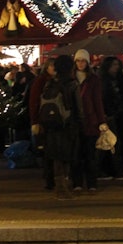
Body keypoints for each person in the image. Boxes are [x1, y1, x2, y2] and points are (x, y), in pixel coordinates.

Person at [32, 55, 82, 200]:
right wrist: (81, 123)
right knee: (68, 156)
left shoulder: (50, 83)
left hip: (51, 124)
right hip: (68, 124)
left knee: (56, 157)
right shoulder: (72, 84)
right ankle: (63, 188)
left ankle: (59, 186)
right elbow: (79, 108)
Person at [71, 49, 107, 193]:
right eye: (78, 61)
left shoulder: (93, 80)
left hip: (90, 121)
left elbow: (97, 101)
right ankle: (77, 182)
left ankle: (91, 183)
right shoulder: (71, 79)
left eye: (83, 61)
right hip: (74, 121)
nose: (80, 64)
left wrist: (101, 120)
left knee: (90, 154)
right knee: (76, 154)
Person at [98, 56, 123, 180]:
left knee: (114, 143)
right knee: (112, 143)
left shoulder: (116, 81)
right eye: (113, 65)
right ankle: (114, 170)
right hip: (109, 115)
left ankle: (111, 169)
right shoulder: (105, 82)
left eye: (117, 65)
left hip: (116, 115)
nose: (116, 67)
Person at [28, 58, 56, 190]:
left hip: (55, 118)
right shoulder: (41, 81)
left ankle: (53, 177)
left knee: (53, 149)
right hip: (44, 119)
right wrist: (35, 121)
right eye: (52, 66)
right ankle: (49, 178)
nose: (54, 68)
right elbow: (34, 101)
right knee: (47, 149)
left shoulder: (58, 80)